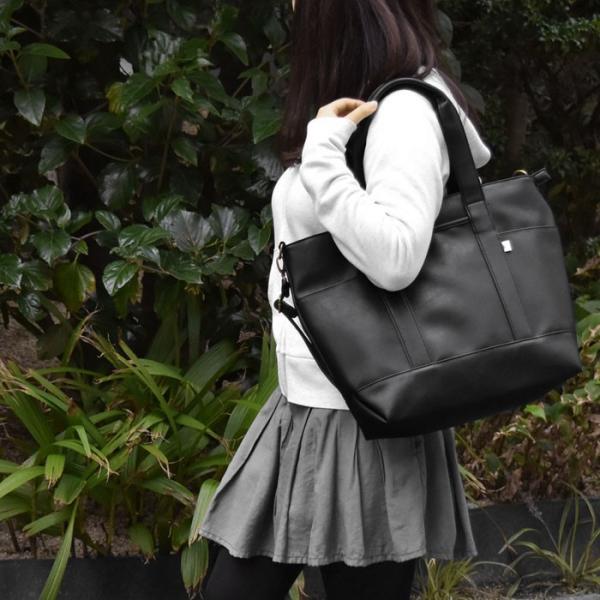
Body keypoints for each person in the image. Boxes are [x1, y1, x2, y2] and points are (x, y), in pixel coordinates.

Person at [198, 1, 492, 598]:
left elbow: (396, 256)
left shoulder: (404, 114)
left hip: (366, 420)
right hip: (308, 405)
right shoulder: (364, 104)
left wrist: (324, 157)